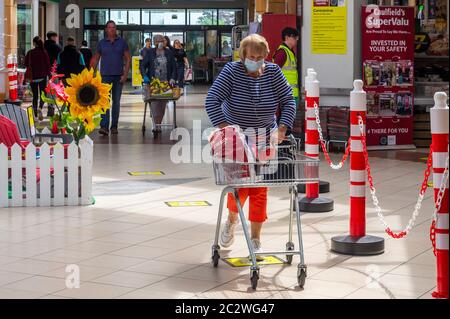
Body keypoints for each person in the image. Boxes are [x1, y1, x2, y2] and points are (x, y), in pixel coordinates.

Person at [205, 34, 296, 252]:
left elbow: (288, 101)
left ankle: (255, 239)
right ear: (243, 55)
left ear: (265, 56)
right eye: (250, 56)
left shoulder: (273, 73)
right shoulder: (232, 72)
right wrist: (228, 130)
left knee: (259, 189)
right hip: (236, 141)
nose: (254, 60)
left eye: (259, 56)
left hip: (265, 137)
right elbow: (212, 101)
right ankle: (232, 220)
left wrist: (281, 129)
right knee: (241, 186)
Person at [90, 20, 131, 136]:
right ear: (106, 29)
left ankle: (114, 126)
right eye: (109, 27)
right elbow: (96, 59)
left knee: (116, 102)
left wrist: (125, 74)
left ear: (116, 29)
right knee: (105, 103)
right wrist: (91, 75)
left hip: (118, 77)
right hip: (105, 77)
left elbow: (128, 59)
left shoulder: (122, 42)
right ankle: (104, 126)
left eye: (113, 27)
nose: (112, 29)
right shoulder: (101, 43)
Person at [140, 34, 176, 134]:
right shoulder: (150, 52)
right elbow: (142, 65)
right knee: (155, 103)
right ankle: (156, 125)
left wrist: (173, 78)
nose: (161, 42)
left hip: (165, 82)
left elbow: (174, 67)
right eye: (159, 41)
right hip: (153, 82)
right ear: (155, 42)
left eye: (162, 40)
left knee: (162, 103)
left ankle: (158, 123)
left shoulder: (169, 52)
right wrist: (144, 76)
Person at [25, 36, 51, 120]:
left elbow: (26, 64)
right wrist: (48, 75)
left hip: (33, 77)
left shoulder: (30, 52)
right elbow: (48, 65)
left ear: (34, 43)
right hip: (42, 77)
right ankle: (40, 107)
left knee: (35, 96)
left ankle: (35, 113)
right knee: (43, 94)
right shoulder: (44, 52)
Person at [272, 27, 299, 106]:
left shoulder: (289, 52)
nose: (296, 39)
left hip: (291, 93)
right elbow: (274, 73)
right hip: (285, 95)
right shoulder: (282, 52)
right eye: (294, 37)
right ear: (287, 37)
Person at [44, 31, 61, 117]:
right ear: (52, 37)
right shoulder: (56, 47)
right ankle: (52, 107)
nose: (56, 38)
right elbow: (60, 59)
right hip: (54, 70)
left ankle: (49, 107)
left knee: (48, 89)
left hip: (44, 71)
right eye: (55, 36)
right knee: (53, 89)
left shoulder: (43, 46)